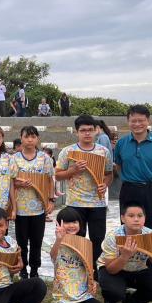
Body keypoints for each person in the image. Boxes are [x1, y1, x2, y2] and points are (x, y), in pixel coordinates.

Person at [55, 115, 113, 274]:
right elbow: (57, 175)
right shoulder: (67, 151)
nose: (87, 133)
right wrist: (72, 170)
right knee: (75, 239)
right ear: (77, 132)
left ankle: (95, 273)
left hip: (97, 203)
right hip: (75, 203)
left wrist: (105, 184)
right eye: (83, 130)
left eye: (90, 130)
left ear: (96, 131)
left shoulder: (104, 151)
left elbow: (109, 174)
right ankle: (77, 272)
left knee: (97, 239)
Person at [97, 202, 152, 303]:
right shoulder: (112, 236)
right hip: (114, 270)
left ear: (144, 218)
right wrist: (124, 256)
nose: (136, 219)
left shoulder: (151, 235)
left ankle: (132, 301)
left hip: (138, 269)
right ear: (123, 218)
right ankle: (110, 300)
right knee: (114, 291)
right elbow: (110, 270)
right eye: (131, 216)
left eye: (140, 216)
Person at [46, 207, 111, 303]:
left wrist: (92, 282)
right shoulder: (59, 244)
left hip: (82, 294)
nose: (71, 225)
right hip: (63, 296)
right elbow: (53, 256)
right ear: (59, 224)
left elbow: (89, 268)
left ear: (80, 224)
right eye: (67, 222)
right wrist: (59, 239)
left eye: (74, 222)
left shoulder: (85, 244)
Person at [114, 105, 152, 230]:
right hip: (129, 189)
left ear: (148, 120)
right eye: (133, 121)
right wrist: (127, 180)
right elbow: (118, 166)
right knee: (128, 227)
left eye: (141, 120)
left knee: (151, 228)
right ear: (128, 121)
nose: (137, 124)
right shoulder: (121, 143)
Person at [12, 126, 55, 278]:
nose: (30, 140)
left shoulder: (45, 158)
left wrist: (51, 200)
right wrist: (18, 183)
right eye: (26, 137)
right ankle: (23, 269)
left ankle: (35, 270)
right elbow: (10, 181)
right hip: (21, 208)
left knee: (37, 241)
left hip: (39, 208)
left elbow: (50, 180)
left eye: (33, 137)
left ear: (37, 139)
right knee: (22, 242)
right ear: (21, 138)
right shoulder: (14, 158)